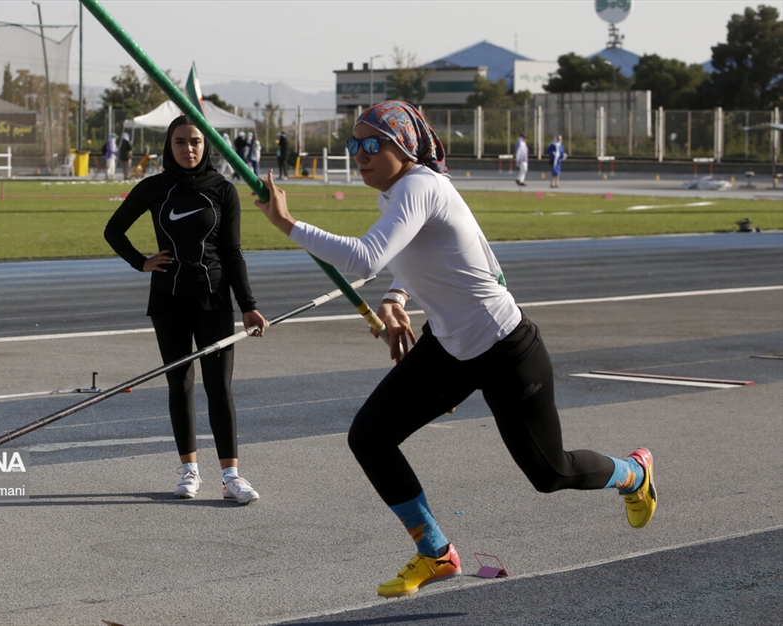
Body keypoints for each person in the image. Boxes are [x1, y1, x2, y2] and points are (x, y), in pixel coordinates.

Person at [255, 100, 656, 598]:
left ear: (404, 146)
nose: (360, 154)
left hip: (504, 348)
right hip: (448, 347)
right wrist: (396, 297)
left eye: (372, 143)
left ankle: (634, 473)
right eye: (354, 144)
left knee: (551, 473)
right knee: (370, 437)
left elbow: (365, 258)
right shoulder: (399, 194)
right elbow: (424, 257)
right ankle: (436, 552)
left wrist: (287, 223)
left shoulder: (420, 186)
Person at [104, 115, 268, 505]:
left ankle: (231, 477)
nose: (188, 148)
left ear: (206, 145)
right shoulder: (154, 187)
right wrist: (141, 262)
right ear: (169, 146)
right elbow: (113, 230)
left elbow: (232, 252)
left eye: (195, 141)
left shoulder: (223, 190)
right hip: (169, 300)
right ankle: (189, 471)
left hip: (214, 300)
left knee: (219, 388)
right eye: (180, 142)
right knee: (179, 384)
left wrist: (248, 305)